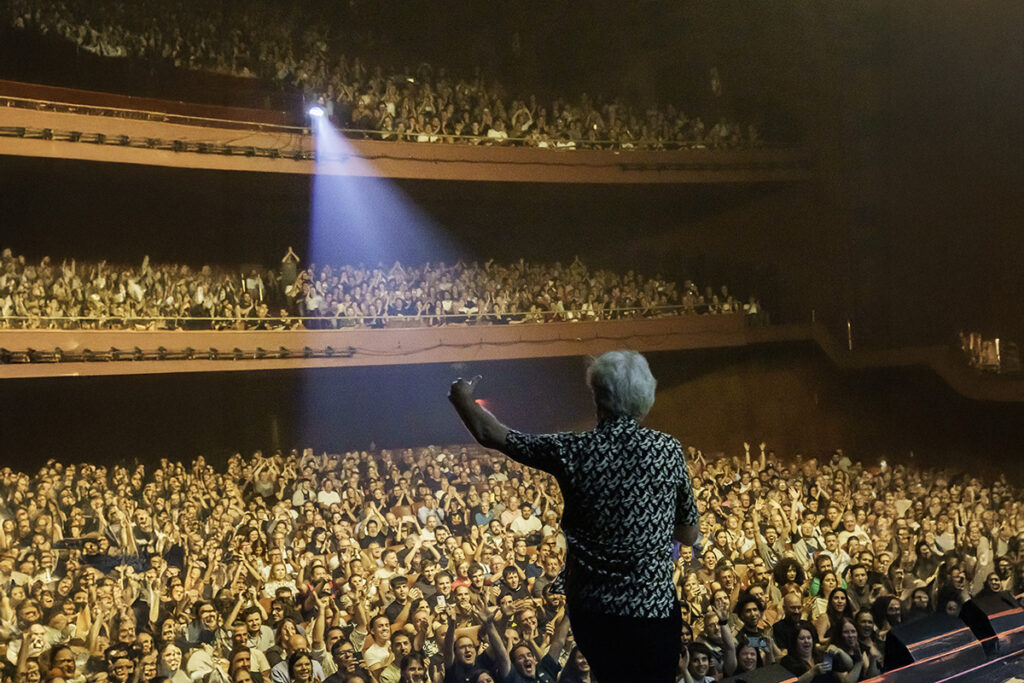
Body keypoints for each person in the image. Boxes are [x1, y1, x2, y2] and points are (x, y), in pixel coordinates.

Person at [449, 350, 699, 683]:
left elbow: (493, 435)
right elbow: (689, 534)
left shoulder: (574, 449)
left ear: (598, 399)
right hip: (653, 611)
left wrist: (463, 398)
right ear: (644, 399)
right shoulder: (667, 450)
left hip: (596, 615)